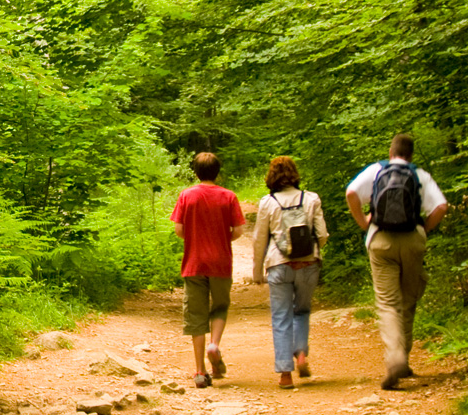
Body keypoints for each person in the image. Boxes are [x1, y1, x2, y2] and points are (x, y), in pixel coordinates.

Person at [345, 133, 450, 390]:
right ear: (410, 155)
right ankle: (405, 357)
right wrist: (424, 227)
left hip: (381, 240)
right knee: (408, 299)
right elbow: (442, 207)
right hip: (413, 239)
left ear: (391, 152)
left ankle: (395, 356)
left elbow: (351, 193)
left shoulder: (376, 170)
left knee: (388, 303)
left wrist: (363, 222)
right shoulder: (419, 175)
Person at [250, 156, 328, 389]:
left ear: (271, 176)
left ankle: (285, 373)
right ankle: (301, 353)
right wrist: (310, 250)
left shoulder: (268, 202)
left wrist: (257, 272)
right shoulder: (311, 199)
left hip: (279, 265)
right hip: (308, 265)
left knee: (281, 317)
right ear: (294, 174)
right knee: (302, 311)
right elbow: (322, 235)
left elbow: (259, 239)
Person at [171, 151, 247, 388]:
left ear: (195, 172)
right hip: (221, 262)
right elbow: (238, 231)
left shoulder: (186, 196)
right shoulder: (228, 196)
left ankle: (200, 371)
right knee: (220, 307)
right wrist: (222, 238)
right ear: (218, 171)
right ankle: (214, 344)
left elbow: (179, 230)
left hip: (194, 263)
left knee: (196, 315)